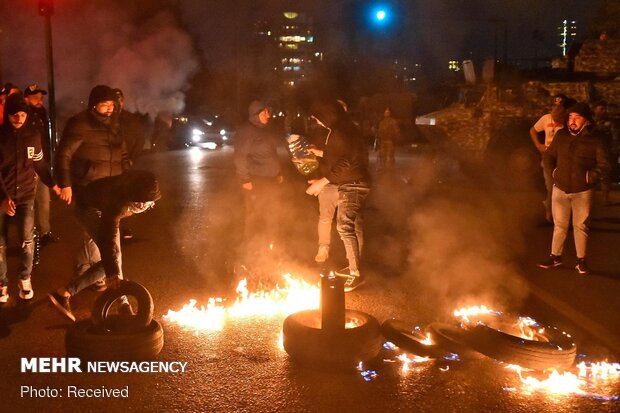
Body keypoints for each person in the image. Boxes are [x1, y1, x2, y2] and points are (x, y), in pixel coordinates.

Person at [48, 170, 160, 321]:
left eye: (148, 204)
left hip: (98, 205)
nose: (143, 207)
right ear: (132, 198)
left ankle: (122, 304)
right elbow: (108, 241)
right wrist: (112, 272)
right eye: (140, 204)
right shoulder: (115, 202)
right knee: (111, 261)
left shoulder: (137, 184)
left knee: (113, 260)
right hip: (88, 210)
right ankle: (64, 293)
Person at [54, 85, 129, 293]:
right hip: (88, 193)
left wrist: (128, 182)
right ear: (93, 105)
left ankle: (83, 282)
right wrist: (66, 184)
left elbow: (123, 157)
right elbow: (63, 155)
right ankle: (118, 298)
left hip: (111, 194)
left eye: (111, 106)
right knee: (110, 251)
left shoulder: (115, 125)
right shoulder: (79, 124)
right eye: (104, 105)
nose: (108, 109)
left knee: (102, 246)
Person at [0, 94, 60, 303]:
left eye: (23, 114)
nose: (19, 118)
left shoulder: (33, 136)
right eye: (14, 114)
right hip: (2, 196)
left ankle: (24, 278)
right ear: (7, 114)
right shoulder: (1, 137)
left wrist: (53, 184)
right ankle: (2, 282)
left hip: (25, 194)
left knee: (27, 239)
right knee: (0, 243)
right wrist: (3, 199)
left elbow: (39, 164)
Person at [538, 102, 611, 274]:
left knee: (581, 226)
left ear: (586, 121)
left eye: (577, 118)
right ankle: (555, 257)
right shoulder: (562, 135)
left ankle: (581, 261)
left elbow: (605, 165)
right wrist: (554, 173)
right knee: (560, 225)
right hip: (560, 188)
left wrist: (589, 177)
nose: (573, 120)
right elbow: (549, 156)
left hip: (582, 190)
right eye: (571, 117)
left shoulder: (595, 139)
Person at [307, 99, 370, 292]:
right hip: (352, 182)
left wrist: (322, 181)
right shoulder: (345, 128)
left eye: (320, 119)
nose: (319, 123)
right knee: (349, 225)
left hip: (353, 184)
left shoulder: (340, 130)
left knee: (344, 226)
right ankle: (353, 266)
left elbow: (346, 160)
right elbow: (339, 155)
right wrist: (320, 154)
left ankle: (355, 274)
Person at [233, 100, 283, 261]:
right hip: (256, 181)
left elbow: (271, 154)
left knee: (272, 214)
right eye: (264, 113)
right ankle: (250, 250)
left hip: (270, 181)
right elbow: (239, 157)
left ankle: (270, 246)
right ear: (255, 115)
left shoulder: (265, 130)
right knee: (254, 216)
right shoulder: (246, 132)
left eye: (268, 112)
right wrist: (244, 179)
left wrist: (278, 172)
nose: (268, 115)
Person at [529, 94, 575, 222]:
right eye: (554, 106)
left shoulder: (568, 121)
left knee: (562, 185)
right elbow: (532, 130)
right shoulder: (546, 118)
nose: (556, 110)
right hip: (548, 156)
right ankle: (549, 211)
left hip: (563, 157)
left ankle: (557, 209)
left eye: (560, 107)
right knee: (551, 185)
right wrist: (539, 145)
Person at [24, 84, 58, 245]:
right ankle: (28, 237)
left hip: (42, 163)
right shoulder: (23, 115)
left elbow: (44, 141)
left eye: (41, 97)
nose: (40, 100)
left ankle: (45, 232)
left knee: (44, 200)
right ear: (26, 99)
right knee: (29, 203)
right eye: (35, 97)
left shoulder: (41, 114)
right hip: (30, 167)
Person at [114, 88, 147, 240]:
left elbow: (140, 139)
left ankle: (125, 227)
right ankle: (113, 226)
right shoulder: (107, 118)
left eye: (119, 100)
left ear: (123, 101)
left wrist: (133, 158)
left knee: (126, 196)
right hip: (110, 164)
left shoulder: (129, 119)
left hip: (126, 164)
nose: (117, 103)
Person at [591, 100, 616, 204]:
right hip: (590, 151)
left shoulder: (609, 124)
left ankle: (605, 197)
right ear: (595, 110)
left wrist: (613, 149)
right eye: (601, 109)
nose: (604, 111)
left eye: (605, 109)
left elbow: (615, 137)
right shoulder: (590, 122)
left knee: (605, 175)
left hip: (605, 151)